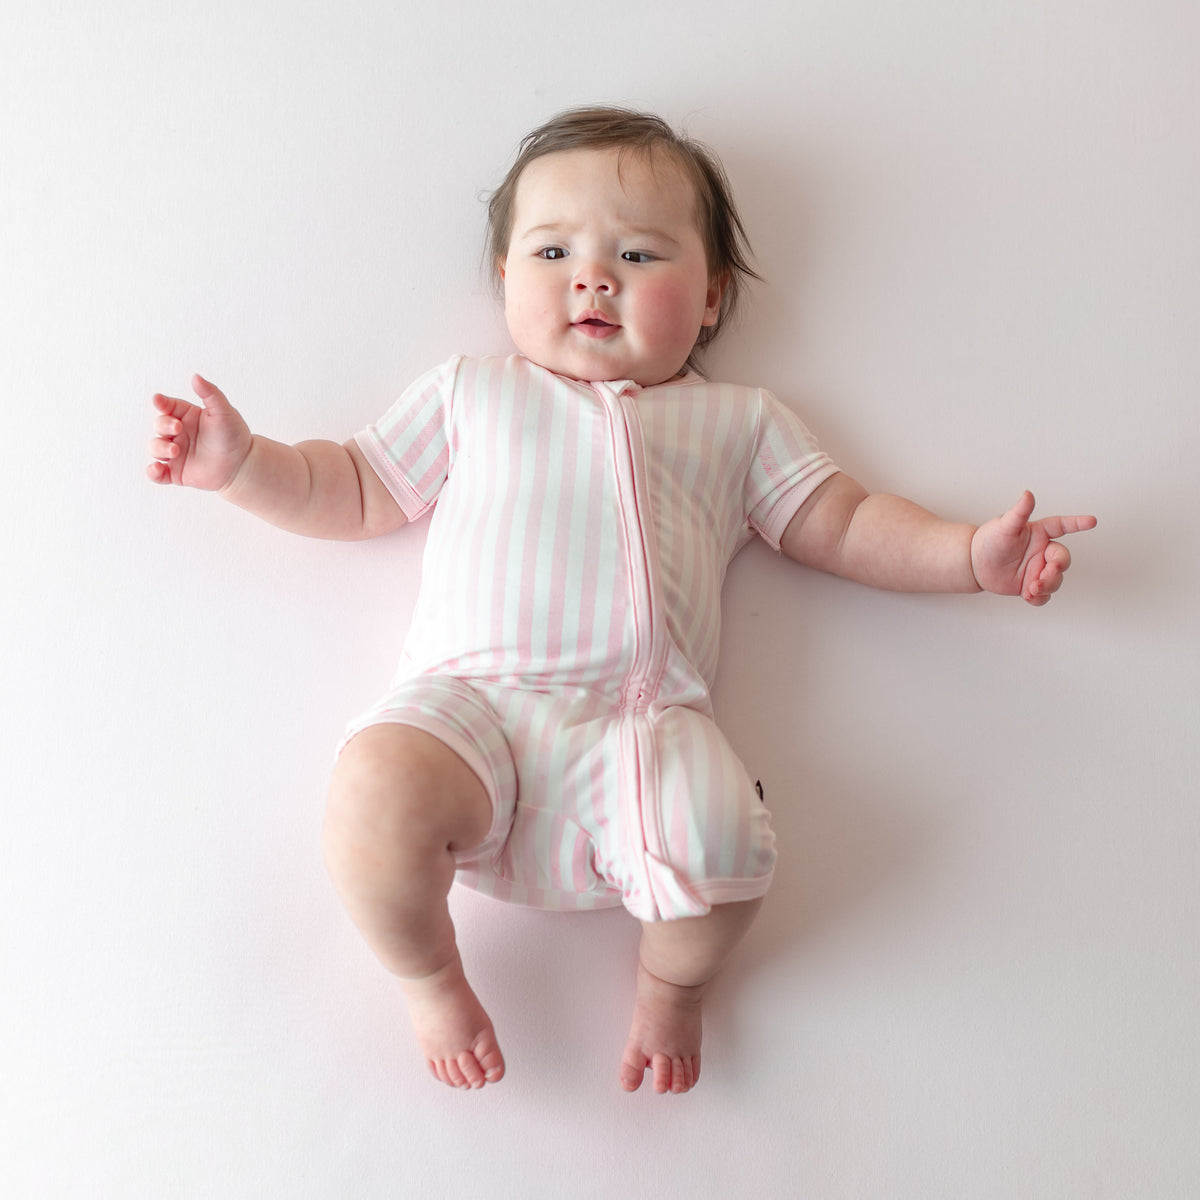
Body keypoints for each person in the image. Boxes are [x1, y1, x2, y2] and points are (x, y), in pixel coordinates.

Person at [146, 107, 1096, 1096]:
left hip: (644, 731)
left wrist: (964, 555)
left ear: (714, 297)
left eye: (640, 254)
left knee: (731, 848)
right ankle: (429, 975)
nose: (594, 277)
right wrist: (245, 464)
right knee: (370, 789)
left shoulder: (737, 423)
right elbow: (350, 487)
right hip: (469, 709)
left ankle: (671, 985)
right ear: (508, 279)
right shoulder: (475, 394)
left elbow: (846, 523)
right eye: (553, 250)